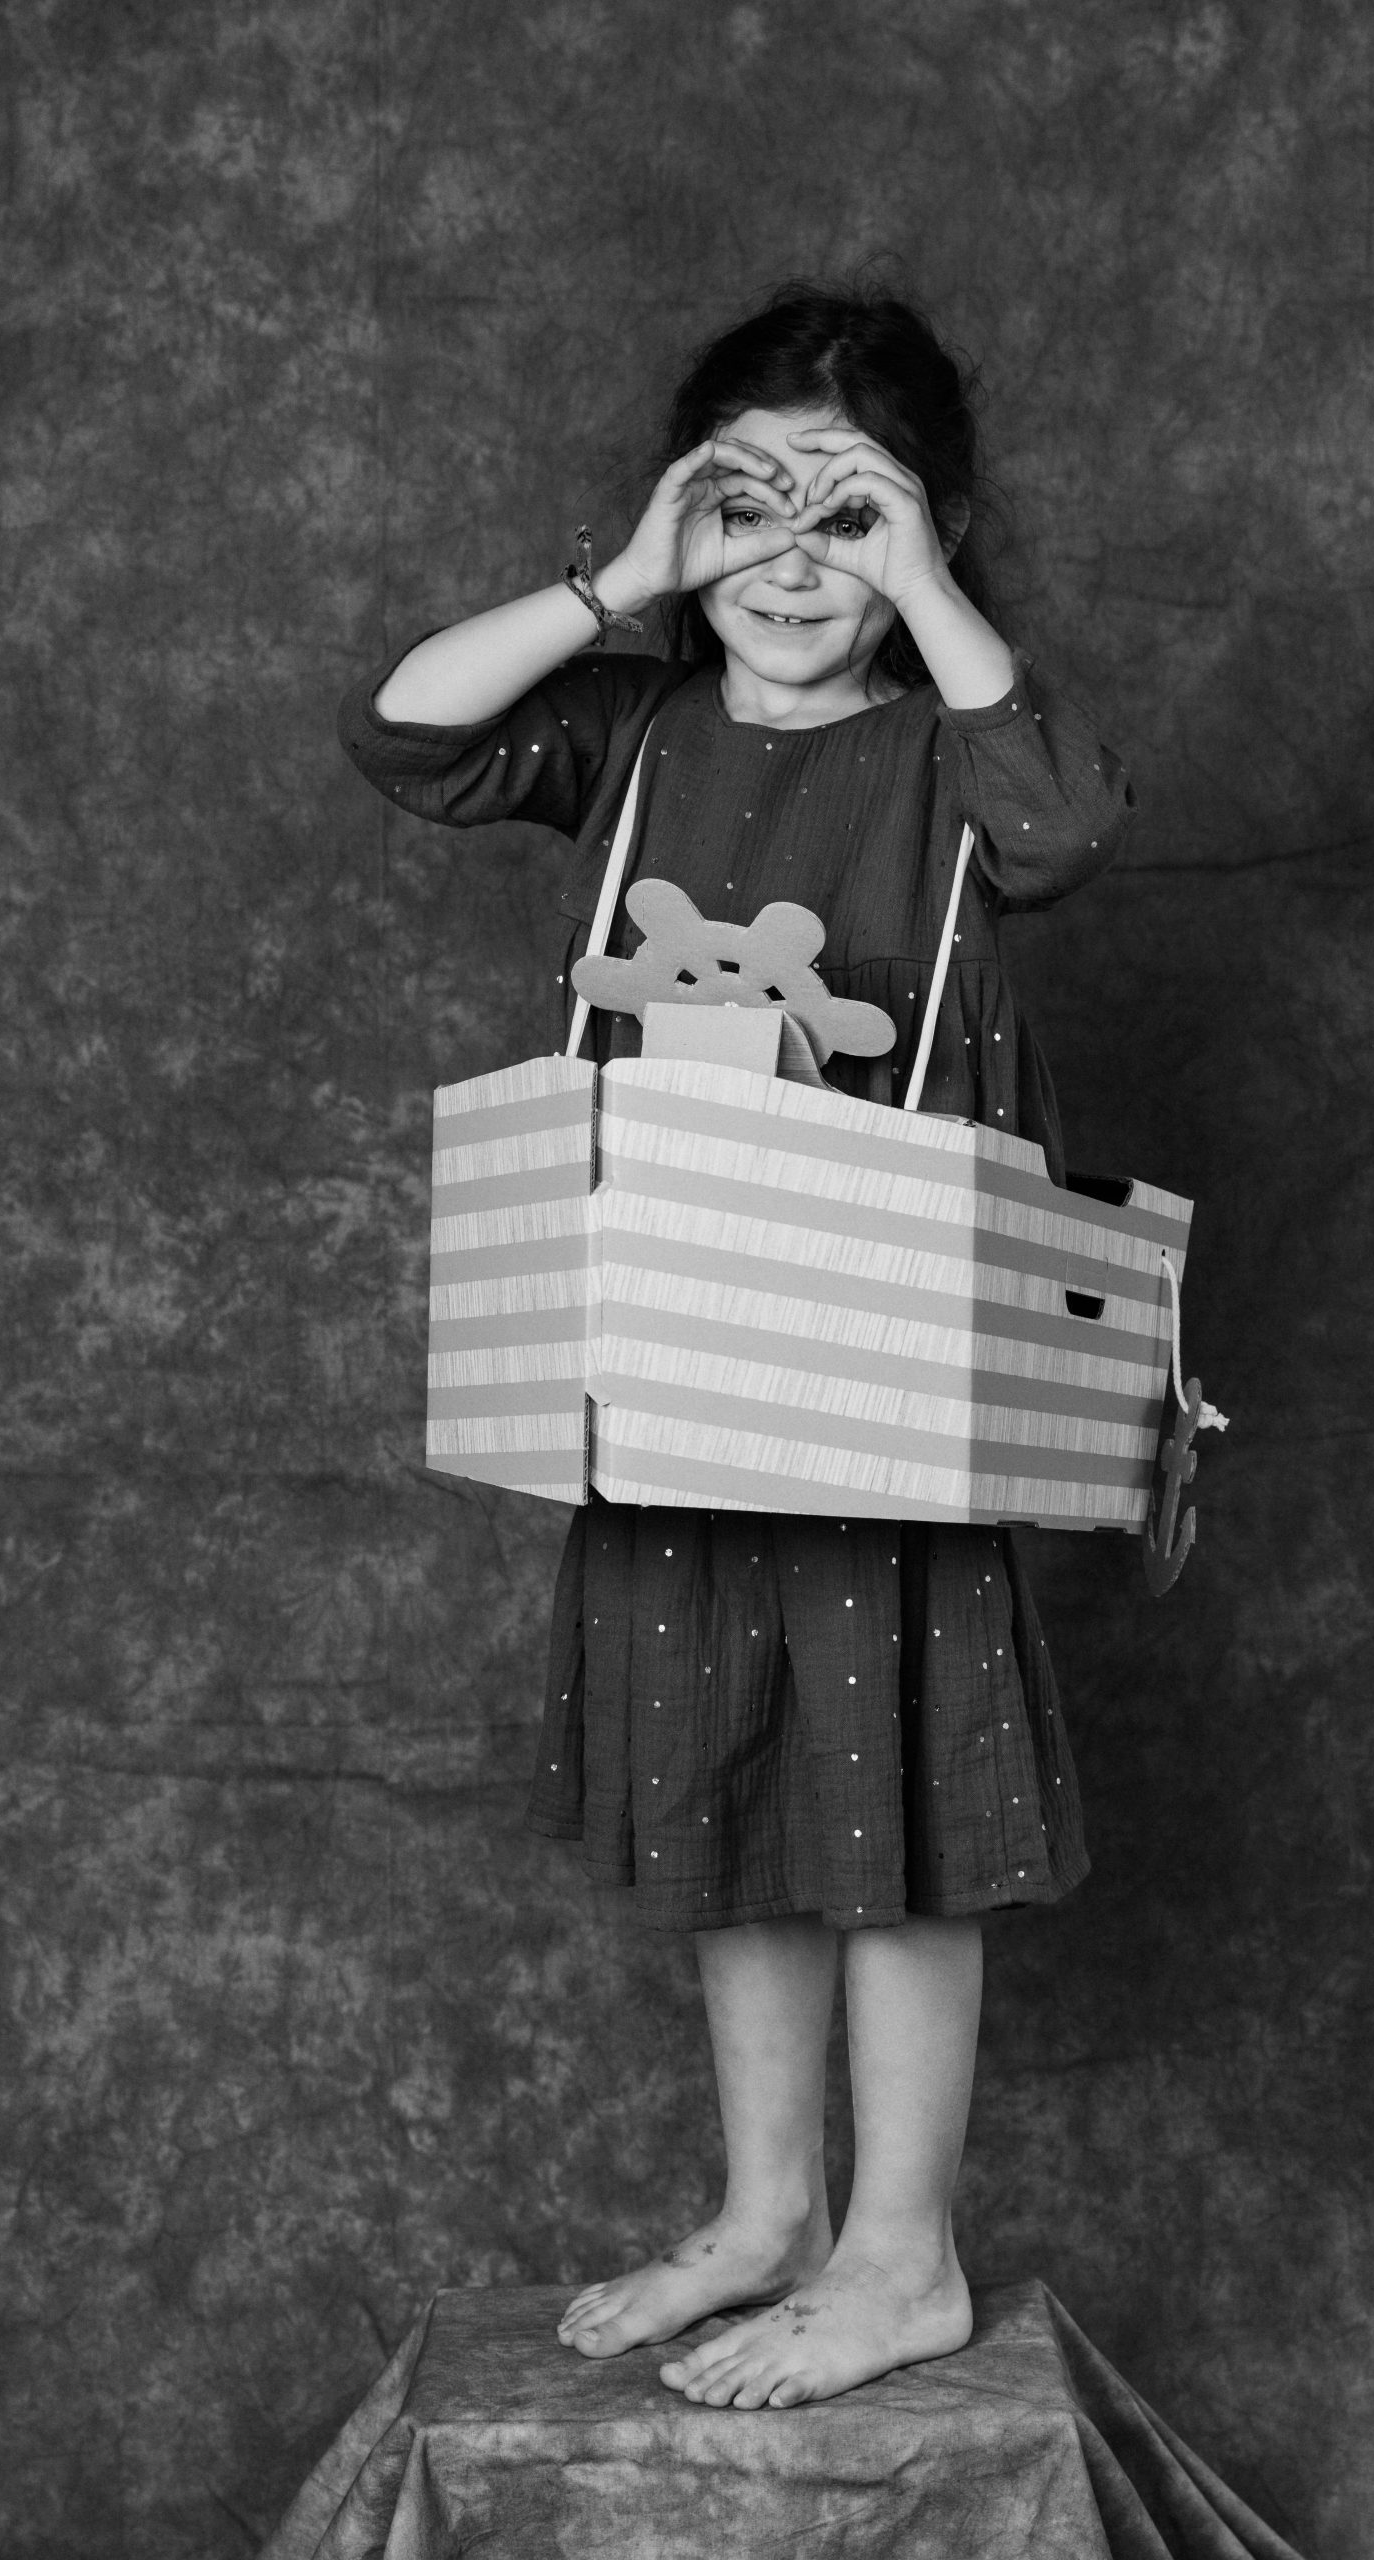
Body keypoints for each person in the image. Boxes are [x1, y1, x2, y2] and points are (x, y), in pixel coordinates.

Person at [338, 283, 1135, 2411]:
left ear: (926, 530)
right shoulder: (633, 731)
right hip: (671, 1353)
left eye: (842, 517)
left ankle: (901, 2255)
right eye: (749, 508)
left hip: (884, 1363)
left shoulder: (949, 745)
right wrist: (627, 570)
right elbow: (404, 730)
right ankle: (769, 2208)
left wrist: (922, 583)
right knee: (723, 1777)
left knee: (892, 1803)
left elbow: (1064, 825)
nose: (791, 561)